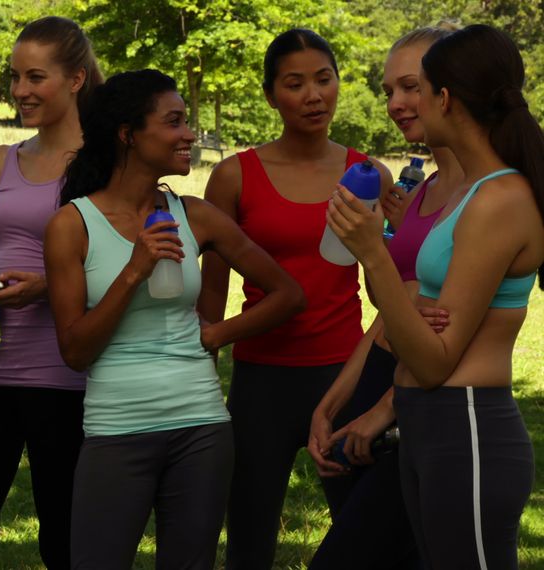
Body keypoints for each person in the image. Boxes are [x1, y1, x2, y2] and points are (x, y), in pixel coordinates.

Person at [44, 69, 305, 569]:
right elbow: (75, 351)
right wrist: (134, 271)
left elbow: (287, 293)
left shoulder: (196, 215)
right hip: (117, 428)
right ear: (128, 134)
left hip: (201, 428)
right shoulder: (72, 225)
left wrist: (217, 335)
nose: (190, 134)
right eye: (174, 122)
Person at [328, 24, 542, 570]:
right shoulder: (461, 191)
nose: (405, 104)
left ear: (444, 97)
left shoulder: (499, 198)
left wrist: (373, 253)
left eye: (416, 88)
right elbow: (415, 318)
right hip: (427, 424)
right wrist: (406, 301)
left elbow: (432, 359)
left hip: (464, 423)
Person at [197, 28, 392, 569]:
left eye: (324, 80)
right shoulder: (235, 174)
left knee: (360, 533)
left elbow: (384, 288)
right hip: (261, 376)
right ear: (270, 95)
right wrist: (202, 372)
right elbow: (212, 287)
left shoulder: (369, 173)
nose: (313, 95)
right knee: (249, 536)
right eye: (295, 83)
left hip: (345, 373)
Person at [0, 16, 102, 570]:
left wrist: (46, 288)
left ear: (76, 79)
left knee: (66, 545)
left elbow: (130, 270)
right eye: (15, 77)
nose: (20, 91)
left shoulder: (106, 165)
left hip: (70, 379)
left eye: (36, 77)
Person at [306, 25, 464, 570]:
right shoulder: (423, 190)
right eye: (387, 91)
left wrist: (383, 412)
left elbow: (452, 328)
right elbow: (387, 319)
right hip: (375, 388)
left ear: (450, 86)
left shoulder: (482, 194)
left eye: (409, 87)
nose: (395, 104)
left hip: (418, 406)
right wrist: (331, 404)